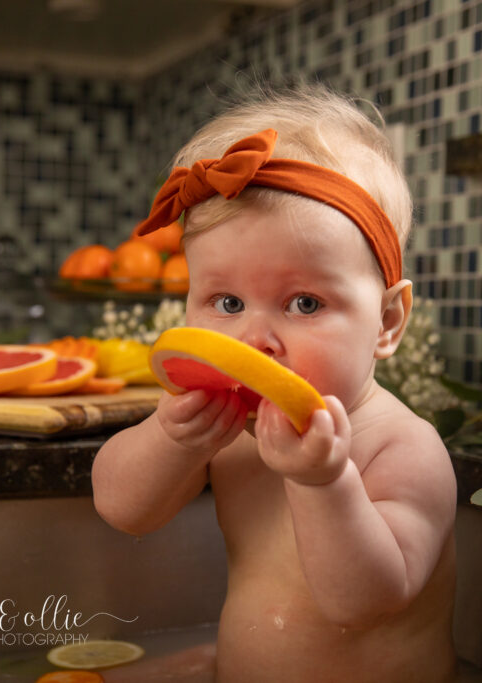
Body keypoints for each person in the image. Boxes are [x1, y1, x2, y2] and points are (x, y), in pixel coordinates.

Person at [92, 84, 458, 683]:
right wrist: (169, 438)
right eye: (227, 301)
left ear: (387, 322)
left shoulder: (401, 447)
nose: (254, 339)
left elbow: (362, 602)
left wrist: (324, 481)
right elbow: (122, 508)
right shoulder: (229, 429)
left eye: (305, 303)